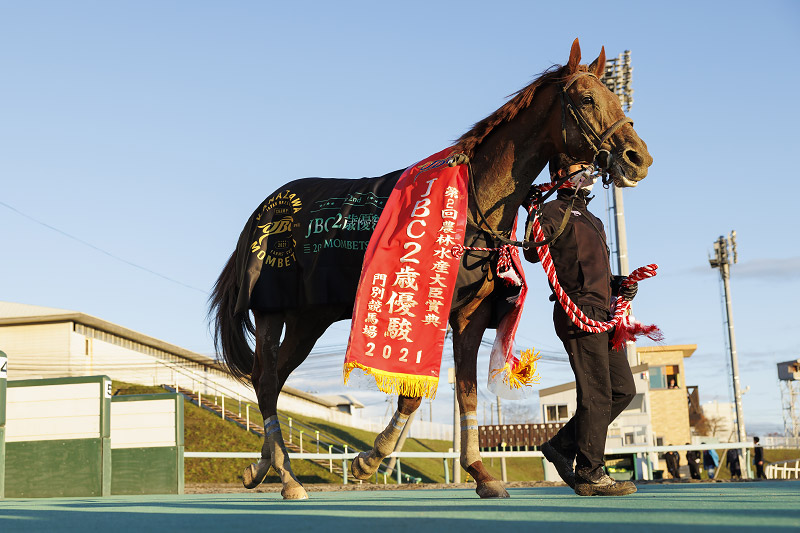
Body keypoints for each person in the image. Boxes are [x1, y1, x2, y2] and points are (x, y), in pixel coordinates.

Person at [526, 156, 638, 497]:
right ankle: (590, 472)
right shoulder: (550, 212)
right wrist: (532, 211)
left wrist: (619, 284)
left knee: (622, 390)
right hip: (577, 310)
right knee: (597, 392)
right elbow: (532, 252)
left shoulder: (594, 219)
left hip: (603, 312)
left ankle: (562, 445)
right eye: (581, 166)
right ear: (563, 174)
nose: (589, 171)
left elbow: (593, 270)